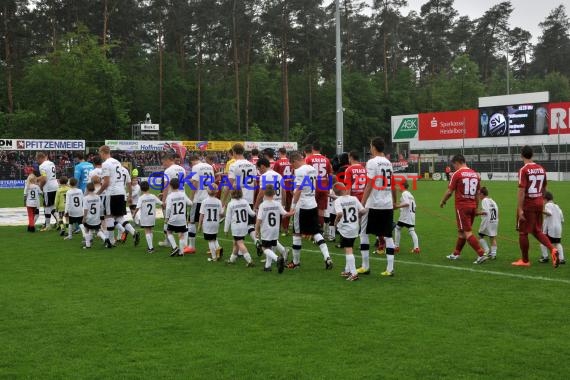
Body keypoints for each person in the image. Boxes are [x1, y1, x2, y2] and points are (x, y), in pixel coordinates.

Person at [357, 137, 397, 276]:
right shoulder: (388, 163)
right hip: (386, 204)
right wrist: (394, 201)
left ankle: (365, 266)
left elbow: (369, 184)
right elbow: (393, 184)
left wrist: (361, 204)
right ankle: (390, 268)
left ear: (373, 147)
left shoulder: (372, 162)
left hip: (373, 203)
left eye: (370, 146)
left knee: (363, 233)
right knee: (387, 235)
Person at [514, 145, 559, 267]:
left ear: (521, 155)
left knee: (523, 232)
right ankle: (553, 249)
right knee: (537, 230)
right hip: (539, 202)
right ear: (532, 155)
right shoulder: (541, 168)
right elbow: (544, 188)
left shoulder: (524, 170)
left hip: (528, 204)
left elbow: (522, 191)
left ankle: (525, 260)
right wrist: (541, 203)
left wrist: (520, 209)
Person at [288, 152, 333, 270]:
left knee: (296, 233)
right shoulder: (312, 168)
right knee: (316, 232)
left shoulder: (300, 171)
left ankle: (295, 262)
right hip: (312, 204)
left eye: (292, 165)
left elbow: (298, 190)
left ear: (294, 161)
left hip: (302, 206)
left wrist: (292, 206)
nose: (293, 168)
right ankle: (327, 257)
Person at [440, 154, 487, 264]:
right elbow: (477, 194)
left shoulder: (457, 174)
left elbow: (449, 191)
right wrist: (476, 208)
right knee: (461, 231)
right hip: (472, 206)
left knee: (467, 232)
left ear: (457, 162)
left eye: (454, 165)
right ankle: (456, 254)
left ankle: (481, 254)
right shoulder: (475, 174)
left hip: (462, 207)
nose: (454, 168)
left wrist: (443, 201)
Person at [97, 145, 140, 247]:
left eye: (100, 153)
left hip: (111, 193)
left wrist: (97, 193)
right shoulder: (117, 163)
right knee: (119, 217)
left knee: (109, 216)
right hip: (121, 192)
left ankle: (111, 241)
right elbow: (128, 183)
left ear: (103, 152)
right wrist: (129, 195)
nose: (100, 155)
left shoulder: (106, 164)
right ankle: (134, 232)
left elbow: (106, 182)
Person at [226, 143, 260, 254]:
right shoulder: (252, 165)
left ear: (234, 152)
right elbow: (255, 183)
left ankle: (238, 253)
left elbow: (230, 184)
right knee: (249, 224)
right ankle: (256, 241)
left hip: (237, 198)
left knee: (237, 223)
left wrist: (224, 200)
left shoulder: (234, 165)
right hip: (249, 198)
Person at [255, 185, 292, 273]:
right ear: (274, 193)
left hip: (266, 230)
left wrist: (256, 229)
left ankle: (277, 258)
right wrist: (293, 212)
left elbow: (259, 219)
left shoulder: (262, 205)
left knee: (265, 248)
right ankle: (267, 266)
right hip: (275, 229)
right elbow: (285, 214)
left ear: (264, 193)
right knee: (271, 246)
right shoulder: (277, 204)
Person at [333, 183, 365, 282]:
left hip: (345, 228)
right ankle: (347, 270)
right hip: (355, 226)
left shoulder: (338, 201)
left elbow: (339, 213)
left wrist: (335, 222)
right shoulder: (354, 198)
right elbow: (363, 211)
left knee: (348, 249)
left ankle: (354, 273)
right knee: (349, 247)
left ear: (335, 192)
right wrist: (358, 216)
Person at [186, 154, 215, 254]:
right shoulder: (209, 166)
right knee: (206, 222)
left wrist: (191, 198)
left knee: (191, 221)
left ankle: (191, 246)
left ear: (192, 162)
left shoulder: (196, 167)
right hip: (208, 197)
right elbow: (211, 181)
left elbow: (195, 183)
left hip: (199, 199)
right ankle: (215, 246)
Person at [158, 152, 186, 248]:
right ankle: (183, 243)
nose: (163, 165)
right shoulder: (182, 169)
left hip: (171, 198)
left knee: (168, 220)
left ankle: (168, 241)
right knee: (181, 220)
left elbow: (166, 187)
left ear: (168, 160)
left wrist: (164, 200)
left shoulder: (168, 171)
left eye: (163, 162)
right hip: (182, 197)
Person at [224, 189, 256, 267]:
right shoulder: (245, 202)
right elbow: (252, 214)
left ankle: (249, 260)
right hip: (244, 226)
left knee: (240, 243)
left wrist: (226, 229)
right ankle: (232, 260)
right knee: (235, 243)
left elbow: (228, 218)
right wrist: (255, 212)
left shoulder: (231, 204)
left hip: (236, 227)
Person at [305, 142, 333, 227]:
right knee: (321, 210)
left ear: (312, 149)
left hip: (313, 187)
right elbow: (330, 175)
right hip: (324, 187)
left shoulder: (309, 159)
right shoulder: (326, 160)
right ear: (320, 149)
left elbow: (305, 173)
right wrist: (329, 187)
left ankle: (312, 228)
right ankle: (320, 228)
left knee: (311, 208)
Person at [164, 177, 193, 257]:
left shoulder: (170, 196)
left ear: (170, 186)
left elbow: (168, 208)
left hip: (173, 219)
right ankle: (181, 252)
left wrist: (166, 218)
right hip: (182, 219)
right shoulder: (183, 194)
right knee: (181, 235)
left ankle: (175, 247)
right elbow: (190, 203)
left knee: (169, 232)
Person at [134, 181, 163, 254]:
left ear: (141, 189)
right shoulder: (153, 196)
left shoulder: (141, 198)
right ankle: (151, 246)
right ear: (148, 187)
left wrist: (134, 214)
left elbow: (137, 207)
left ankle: (151, 248)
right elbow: (160, 203)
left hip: (145, 217)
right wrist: (159, 197)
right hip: (152, 216)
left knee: (147, 231)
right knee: (150, 230)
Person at [81, 182, 111, 249]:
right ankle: (106, 239)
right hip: (96, 219)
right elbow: (101, 207)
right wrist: (100, 217)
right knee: (98, 231)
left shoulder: (85, 198)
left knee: (86, 229)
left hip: (89, 218)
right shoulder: (98, 197)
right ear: (94, 189)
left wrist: (84, 218)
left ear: (87, 189)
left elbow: (85, 209)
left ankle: (88, 245)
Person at [198, 184, 224, 262]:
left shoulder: (204, 201)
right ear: (216, 191)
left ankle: (214, 257)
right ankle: (218, 249)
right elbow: (221, 214)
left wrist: (199, 225)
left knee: (210, 240)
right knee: (214, 238)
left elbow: (201, 214)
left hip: (207, 223)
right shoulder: (219, 201)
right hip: (216, 223)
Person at [394, 181, 420, 254]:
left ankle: (396, 247)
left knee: (397, 228)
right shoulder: (410, 194)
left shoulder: (404, 193)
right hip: (412, 215)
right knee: (411, 230)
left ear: (402, 186)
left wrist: (397, 206)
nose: (398, 188)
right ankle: (416, 248)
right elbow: (414, 205)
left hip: (405, 215)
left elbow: (407, 203)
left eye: (399, 186)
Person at [36, 152, 59, 231]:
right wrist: (38, 178)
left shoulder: (42, 166)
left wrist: (40, 187)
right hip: (55, 186)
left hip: (48, 187)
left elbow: (44, 179)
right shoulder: (51, 163)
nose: (37, 161)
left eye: (37, 159)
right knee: (52, 206)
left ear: (40, 158)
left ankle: (48, 225)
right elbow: (47, 175)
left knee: (46, 207)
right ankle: (59, 222)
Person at [539, 192, 565, 265]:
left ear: (546, 199)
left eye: (543, 199)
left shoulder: (548, 205)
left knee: (542, 242)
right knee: (557, 243)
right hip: (558, 227)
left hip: (550, 228)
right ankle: (561, 259)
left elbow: (549, 213)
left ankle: (545, 257)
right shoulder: (557, 206)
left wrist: (539, 210)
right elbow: (562, 219)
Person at [273, 147, 293, 235]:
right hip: (290, 187)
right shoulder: (291, 162)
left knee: (279, 206)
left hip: (281, 187)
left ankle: (278, 226)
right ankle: (286, 227)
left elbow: (274, 175)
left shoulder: (278, 162)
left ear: (280, 153)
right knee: (288, 208)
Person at [476, 187, 499, 259]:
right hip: (494, 221)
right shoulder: (492, 201)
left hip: (487, 221)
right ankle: (493, 254)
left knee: (480, 236)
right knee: (492, 237)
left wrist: (477, 213)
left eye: (479, 194)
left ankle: (487, 250)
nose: (479, 196)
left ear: (482, 194)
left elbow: (485, 212)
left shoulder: (484, 201)